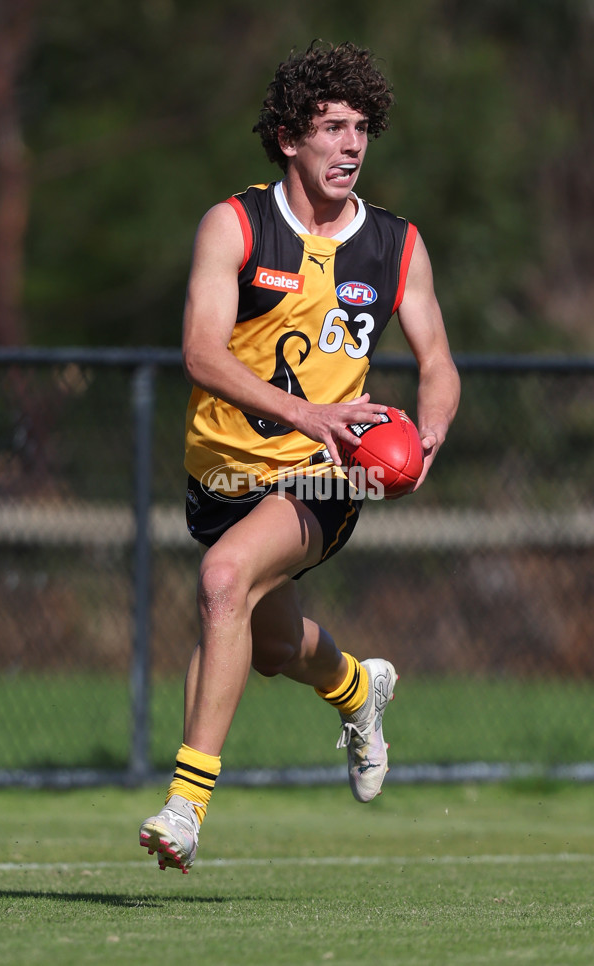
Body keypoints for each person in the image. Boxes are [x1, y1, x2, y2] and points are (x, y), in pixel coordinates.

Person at [139, 40, 460, 873]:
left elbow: (438, 362)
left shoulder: (395, 246)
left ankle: (186, 805)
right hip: (224, 474)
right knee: (270, 645)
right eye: (332, 129)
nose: (351, 146)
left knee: (221, 583)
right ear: (289, 137)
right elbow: (203, 354)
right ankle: (358, 688)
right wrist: (304, 410)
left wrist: (428, 430)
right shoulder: (237, 223)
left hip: (328, 470)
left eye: (362, 129)